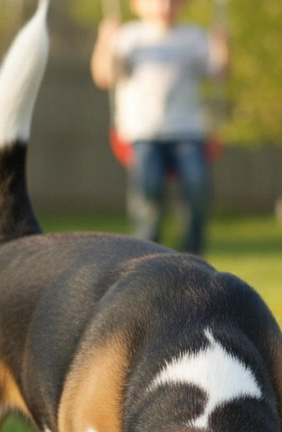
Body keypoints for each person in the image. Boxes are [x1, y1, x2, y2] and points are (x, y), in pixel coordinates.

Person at [91, 0, 228, 256]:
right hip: (143, 131)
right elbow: (104, 76)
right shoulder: (129, 36)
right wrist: (105, 40)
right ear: (136, 5)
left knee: (197, 188)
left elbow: (220, 73)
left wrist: (222, 44)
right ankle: (147, 251)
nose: (165, 5)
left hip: (188, 130)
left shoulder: (194, 36)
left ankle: (193, 252)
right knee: (149, 193)